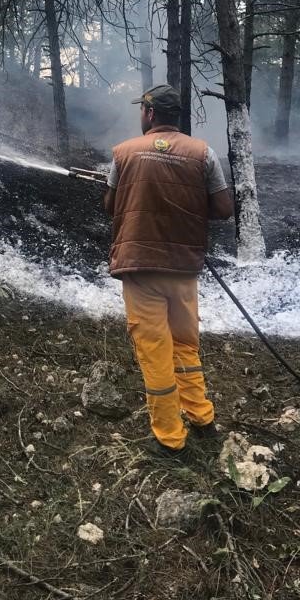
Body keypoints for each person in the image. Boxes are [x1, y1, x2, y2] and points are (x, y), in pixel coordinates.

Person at [103, 84, 233, 459]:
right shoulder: (202, 154)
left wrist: (125, 190)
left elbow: (111, 205)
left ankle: (170, 438)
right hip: (183, 269)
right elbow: (223, 208)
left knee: (155, 350)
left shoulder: (123, 153)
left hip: (141, 267)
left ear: (148, 113)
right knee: (185, 345)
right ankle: (202, 418)